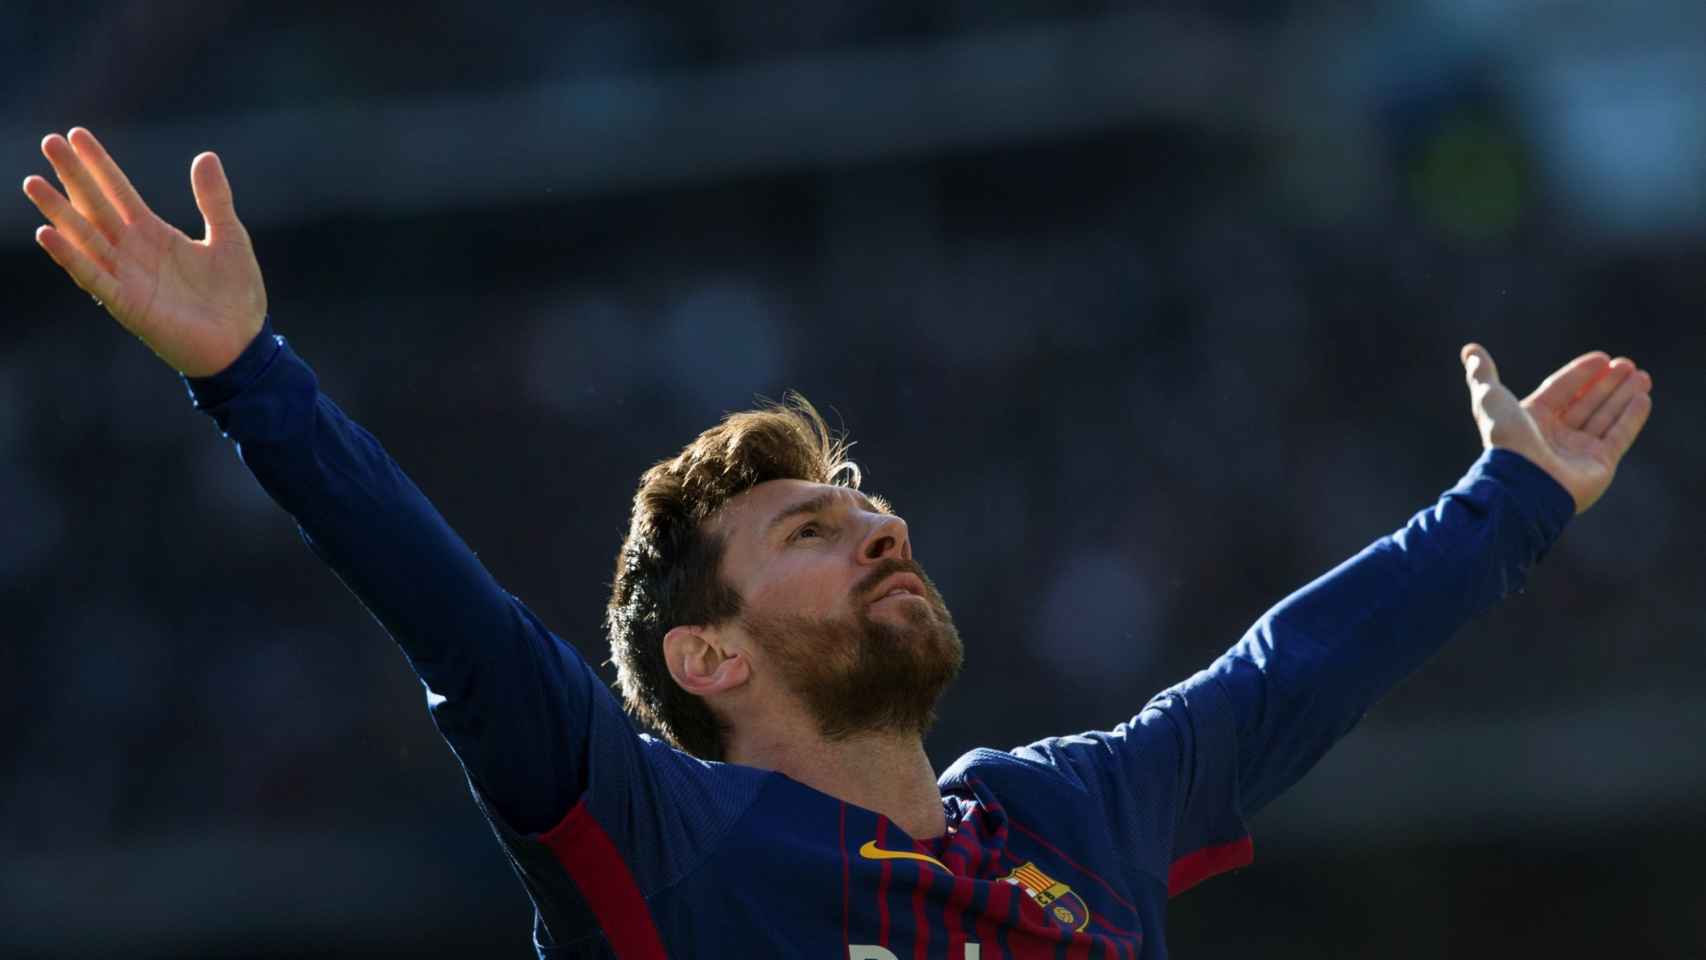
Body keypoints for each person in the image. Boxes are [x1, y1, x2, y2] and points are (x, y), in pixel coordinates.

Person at [22, 128, 1654, 960]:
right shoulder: (672, 849)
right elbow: (452, 623)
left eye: (871, 506)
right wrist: (250, 378)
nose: (882, 530)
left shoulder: (1062, 815)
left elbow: (1284, 675)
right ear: (706, 654)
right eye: (815, 525)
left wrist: (1506, 501)